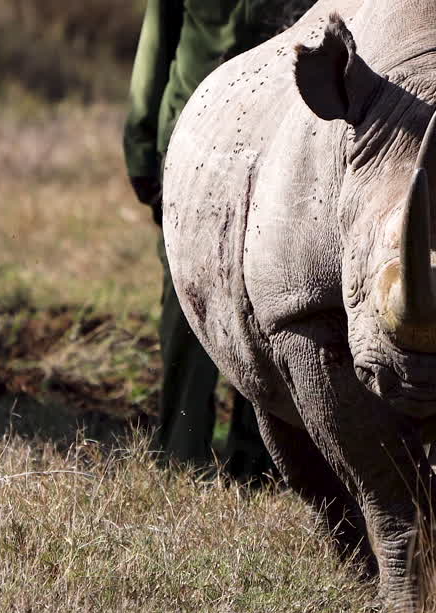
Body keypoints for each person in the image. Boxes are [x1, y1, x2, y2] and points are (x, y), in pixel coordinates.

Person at [124, 0, 304, 477]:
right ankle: (184, 454)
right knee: (187, 302)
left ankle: (262, 457)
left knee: (273, 297)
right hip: (191, 141)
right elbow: (157, 42)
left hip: (283, 142)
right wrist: (142, 142)